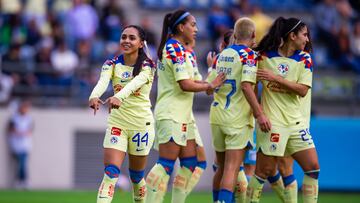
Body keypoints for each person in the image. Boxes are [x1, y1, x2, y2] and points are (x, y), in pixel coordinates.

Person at [145, 9, 225, 203]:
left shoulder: (186, 52)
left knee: (192, 163)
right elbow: (185, 84)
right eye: (193, 24)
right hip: (171, 113)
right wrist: (209, 85)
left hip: (184, 116)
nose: (197, 29)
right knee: (166, 164)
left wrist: (212, 75)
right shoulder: (173, 48)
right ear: (181, 27)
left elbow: (199, 84)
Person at [246, 17, 320, 203]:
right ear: (292, 36)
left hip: (296, 124)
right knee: (263, 172)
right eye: (304, 35)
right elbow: (249, 85)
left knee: (313, 168)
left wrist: (276, 78)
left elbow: (302, 90)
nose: (307, 39)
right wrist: (259, 113)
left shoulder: (305, 59)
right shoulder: (264, 57)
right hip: (273, 124)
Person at [89, 25, 156, 203]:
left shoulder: (148, 65)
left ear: (141, 43)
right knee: (111, 173)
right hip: (117, 123)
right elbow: (103, 81)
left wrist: (118, 96)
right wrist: (94, 96)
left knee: (136, 177)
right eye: (124, 37)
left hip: (141, 125)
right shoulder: (111, 64)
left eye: (132, 38)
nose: (126, 41)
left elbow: (136, 84)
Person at [207, 17, 270, 203]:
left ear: (234, 35)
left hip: (217, 115)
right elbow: (246, 86)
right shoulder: (249, 55)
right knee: (232, 169)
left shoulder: (222, 55)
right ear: (253, 35)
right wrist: (259, 114)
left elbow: (210, 86)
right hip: (236, 118)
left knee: (221, 167)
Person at [7, 100, 34, 189]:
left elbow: (30, 131)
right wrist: (20, 133)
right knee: (20, 163)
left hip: (25, 145)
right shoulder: (14, 118)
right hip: (16, 145)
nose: (25, 110)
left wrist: (23, 133)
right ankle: (21, 180)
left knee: (23, 163)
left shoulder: (29, 118)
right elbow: (11, 130)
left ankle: (23, 180)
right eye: (23, 108)